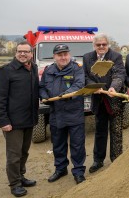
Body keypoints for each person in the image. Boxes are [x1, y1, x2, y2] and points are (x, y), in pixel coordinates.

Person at [0, 41, 39, 197]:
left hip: (29, 119)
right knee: (13, 155)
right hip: (13, 122)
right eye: (20, 51)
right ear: (16, 53)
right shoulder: (6, 71)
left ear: (31, 54)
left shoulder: (33, 68)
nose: (22, 54)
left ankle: (21, 176)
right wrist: (3, 121)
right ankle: (15, 184)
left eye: (26, 52)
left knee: (24, 152)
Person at [39, 44, 86, 184]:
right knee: (58, 144)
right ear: (55, 56)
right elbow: (41, 87)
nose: (63, 57)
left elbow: (79, 84)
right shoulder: (48, 70)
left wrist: (64, 95)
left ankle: (78, 171)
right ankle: (60, 169)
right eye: (60, 55)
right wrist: (44, 96)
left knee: (77, 145)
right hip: (55, 113)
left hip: (74, 113)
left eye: (65, 54)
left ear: (69, 55)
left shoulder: (77, 68)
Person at [83, 34, 126, 174]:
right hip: (98, 99)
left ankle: (117, 159)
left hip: (113, 98)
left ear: (108, 45)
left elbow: (119, 74)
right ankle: (98, 160)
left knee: (116, 130)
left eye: (104, 44)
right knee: (100, 131)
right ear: (94, 45)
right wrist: (93, 86)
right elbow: (85, 76)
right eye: (98, 45)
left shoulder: (116, 56)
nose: (101, 47)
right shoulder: (87, 57)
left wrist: (114, 87)